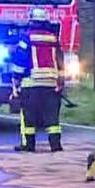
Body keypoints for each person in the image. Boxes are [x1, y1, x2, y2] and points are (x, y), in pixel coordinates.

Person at [11, 8, 65, 152]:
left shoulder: (26, 37)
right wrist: (61, 80)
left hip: (31, 82)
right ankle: (55, 145)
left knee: (28, 116)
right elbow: (60, 60)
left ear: (32, 21)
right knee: (52, 118)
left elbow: (20, 60)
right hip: (51, 83)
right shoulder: (54, 37)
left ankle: (29, 145)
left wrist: (16, 78)